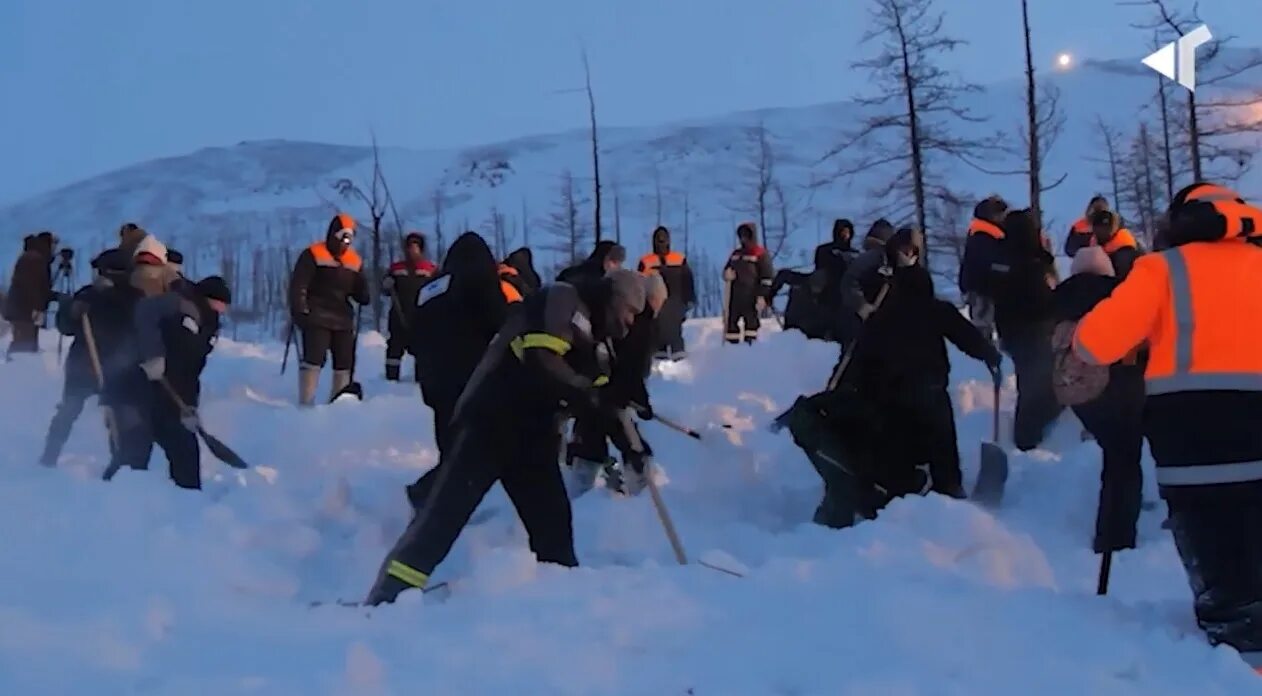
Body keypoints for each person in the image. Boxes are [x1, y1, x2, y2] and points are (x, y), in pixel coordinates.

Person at [366, 269, 647, 605]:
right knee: (444, 519)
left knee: (554, 526)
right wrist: (592, 394)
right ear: (614, 299)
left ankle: (564, 603)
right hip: (490, 423)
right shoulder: (562, 299)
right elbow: (542, 359)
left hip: (535, 438)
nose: (629, 323)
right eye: (630, 312)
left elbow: (602, 407)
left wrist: (632, 445)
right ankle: (386, 599)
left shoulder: (599, 347)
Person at [1073, 182, 1262, 670]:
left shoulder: (1161, 270)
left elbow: (1094, 344)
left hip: (1190, 441)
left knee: (1222, 572)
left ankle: (1239, 659)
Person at [850, 229, 1002, 499]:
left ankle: (904, 490)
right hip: (931, 389)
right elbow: (967, 336)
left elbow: (864, 355)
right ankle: (949, 485)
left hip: (894, 393)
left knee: (901, 445)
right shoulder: (936, 310)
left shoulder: (882, 316)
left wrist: (863, 388)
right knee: (942, 442)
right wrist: (990, 355)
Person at [404, 232, 508, 509]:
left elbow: (412, 335)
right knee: (473, 448)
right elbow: (500, 323)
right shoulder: (480, 281)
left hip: (433, 379)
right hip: (468, 378)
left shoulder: (429, 289)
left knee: (450, 443)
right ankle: (428, 497)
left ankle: (438, 501)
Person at [1051, 246, 1144, 554]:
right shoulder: (1119, 295)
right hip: (1118, 388)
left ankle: (1108, 532)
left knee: (1113, 455)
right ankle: (1117, 539)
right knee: (1126, 462)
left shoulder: (1058, 301)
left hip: (1079, 393)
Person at [121, 274, 231, 490]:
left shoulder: (206, 322)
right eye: (220, 303)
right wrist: (153, 356)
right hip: (143, 385)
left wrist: (190, 405)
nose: (223, 310)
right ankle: (115, 495)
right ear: (208, 298)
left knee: (184, 449)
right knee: (136, 448)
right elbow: (144, 312)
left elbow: (191, 368)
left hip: (170, 393)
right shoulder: (178, 304)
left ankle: (188, 499)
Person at [565, 272, 667, 497]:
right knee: (629, 444)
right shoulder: (639, 323)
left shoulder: (614, 314)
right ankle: (642, 492)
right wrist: (638, 399)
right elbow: (631, 367)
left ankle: (581, 494)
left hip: (597, 388)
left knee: (591, 439)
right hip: (603, 390)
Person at [39, 250, 131, 466]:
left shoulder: (128, 298)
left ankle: (119, 458)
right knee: (69, 409)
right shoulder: (88, 295)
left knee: (115, 414)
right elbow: (66, 327)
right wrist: (69, 311)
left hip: (114, 365)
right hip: (85, 363)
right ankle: (50, 454)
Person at [993, 208, 1062, 452]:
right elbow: (1042, 300)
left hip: (1014, 332)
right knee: (1036, 384)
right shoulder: (1030, 265)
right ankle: (1027, 438)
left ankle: (1032, 433)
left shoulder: (1003, 261)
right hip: (1034, 331)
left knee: (1034, 381)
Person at [288, 213, 370, 405]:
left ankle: (339, 403)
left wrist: (364, 292)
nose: (345, 242)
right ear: (333, 234)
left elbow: (360, 293)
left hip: (343, 318)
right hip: (316, 314)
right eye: (342, 236)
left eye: (349, 238)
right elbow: (299, 284)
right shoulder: (314, 254)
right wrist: (300, 309)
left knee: (344, 362)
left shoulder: (354, 261)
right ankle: (306, 403)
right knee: (314, 358)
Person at [382, 232, 437, 382]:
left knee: (422, 349)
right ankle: (390, 380)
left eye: (416, 246)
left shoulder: (430, 269)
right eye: (410, 246)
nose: (412, 250)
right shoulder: (396, 268)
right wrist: (386, 284)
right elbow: (385, 290)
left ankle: (421, 380)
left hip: (421, 318)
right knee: (394, 348)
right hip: (398, 315)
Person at [637, 226, 695, 359]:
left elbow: (688, 279)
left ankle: (677, 350)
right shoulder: (646, 261)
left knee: (674, 325)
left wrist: (690, 298)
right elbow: (639, 283)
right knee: (657, 325)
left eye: (663, 239)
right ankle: (659, 350)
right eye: (658, 239)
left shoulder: (679, 258)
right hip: (655, 300)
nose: (661, 242)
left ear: (669, 240)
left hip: (677, 299)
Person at [837, 219, 896, 348]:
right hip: (862, 322)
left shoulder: (886, 261)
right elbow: (849, 281)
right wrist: (862, 306)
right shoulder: (873, 257)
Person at [959, 196, 1010, 338]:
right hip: (982, 289)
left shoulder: (983, 234)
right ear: (992, 215)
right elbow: (989, 263)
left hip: (983, 287)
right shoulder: (984, 236)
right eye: (1001, 214)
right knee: (982, 325)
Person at [4, 231, 57, 357]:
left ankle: (20, 367)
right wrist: (37, 308)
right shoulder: (34, 259)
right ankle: (17, 369)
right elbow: (31, 287)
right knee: (23, 345)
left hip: (23, 309)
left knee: (26, 342)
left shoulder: (35, 257)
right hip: (25, 310)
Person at [723, 223, 774, 344]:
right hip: (734, 296)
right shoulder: (736, 254)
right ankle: (731, 349)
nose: (743, 239)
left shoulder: (760, 254)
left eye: (746, 235)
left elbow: (767, 277)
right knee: (731, 323)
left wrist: (763, 296)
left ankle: (750, 349)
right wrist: (726, 274)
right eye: (741, 236)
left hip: (751, 296)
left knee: (751, 323)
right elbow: (726, 269)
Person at [1089, 210, 1142, 280]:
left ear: (1113, 228)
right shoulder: (1095, 245)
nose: (1101, 232)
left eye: (1105, 228)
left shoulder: (1125, 249)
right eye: (1097, 229)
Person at [557, 241, 626, 285]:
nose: (619, 267)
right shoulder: (601, 282)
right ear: (606, 259)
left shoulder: (568, 273)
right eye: (615, 262)